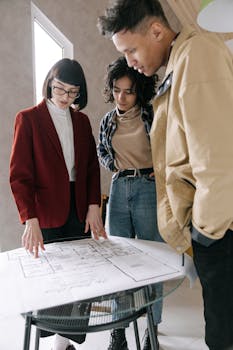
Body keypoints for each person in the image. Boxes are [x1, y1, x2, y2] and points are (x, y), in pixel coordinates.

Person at [97, 2, 233, 350]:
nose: (129, 61)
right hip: (213, 231)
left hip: (220, 234)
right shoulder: (179, 64)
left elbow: (217, 160)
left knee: (223, 336)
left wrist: (205, 232)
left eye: (131, 50)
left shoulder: (197, 56)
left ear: (156, 31)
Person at [10, 58, 107, 350]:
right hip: (46, 213)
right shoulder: (28, 119)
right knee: (51, 285)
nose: (65, 97)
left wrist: (94, 204)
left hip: (78, 208)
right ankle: (51, 342)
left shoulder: (82, 120)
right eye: (59, 89)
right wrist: (31, 220)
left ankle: (63, 346)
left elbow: (90, 167)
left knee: (80, 284)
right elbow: (19, 176)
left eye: (73, 92)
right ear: (49, 83)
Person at [98, 56, 163, 350]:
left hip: (147, 188)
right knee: (119, 266)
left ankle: (152, 329)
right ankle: (118, 332)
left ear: (140, 91)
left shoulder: (151, 115)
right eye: (116, 90)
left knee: (153, 263)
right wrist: (112, 164)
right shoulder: (107, 121)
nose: (121, 97)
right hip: (119, 188)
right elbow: (102, 149)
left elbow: (167, 147)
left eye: (128, 91)